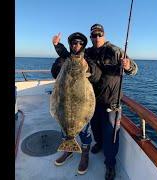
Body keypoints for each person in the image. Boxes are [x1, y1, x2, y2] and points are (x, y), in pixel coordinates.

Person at [53, 24, 138, 180]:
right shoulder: (89, 53)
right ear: (91, 37)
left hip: (111, 102)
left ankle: (110, 165)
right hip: (93, 102)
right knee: (96, 130)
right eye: (94, 35)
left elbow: (134, 69)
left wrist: (128, 66)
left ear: (104, 35)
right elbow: (71, 55)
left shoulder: (115, 51)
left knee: (111, 135)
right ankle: (98, 144)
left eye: (99, 34)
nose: (97, 37)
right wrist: (58, 46)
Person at [50, 32, 101, 175]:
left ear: (83, 45)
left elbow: (96, 76)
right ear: (70, 45)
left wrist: (88, 68)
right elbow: (54, 73)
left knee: (84, 131)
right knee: (64, 128)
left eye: (80, 43)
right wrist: (61, 61)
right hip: (65, 102)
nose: (77, 45)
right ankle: (68, 150)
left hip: (81, 104)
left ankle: (85, 155)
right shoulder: (63, 58)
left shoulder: (88, 58)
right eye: (74, 43)